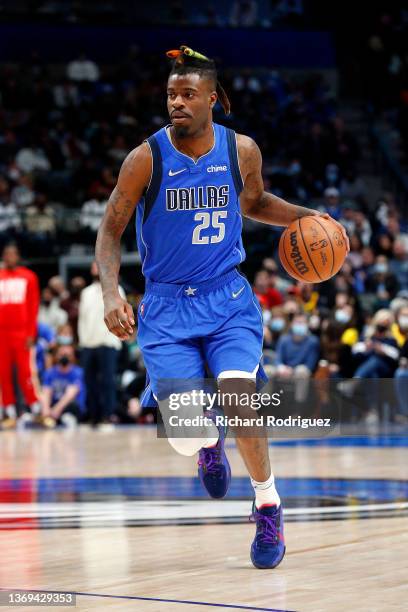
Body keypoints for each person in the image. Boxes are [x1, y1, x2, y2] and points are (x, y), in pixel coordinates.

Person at [95, 45, 349, 569]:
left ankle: (268, 505)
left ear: (214, 98)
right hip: (165, 308)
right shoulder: (146, 158)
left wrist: (311, 216)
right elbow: (110, 228)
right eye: (171, 94)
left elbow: (255, 203)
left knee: (240, 395)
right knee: (187, 437)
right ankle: (207, 442)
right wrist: (110, 292)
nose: (177, 103)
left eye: (189, 94)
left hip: (227, 297)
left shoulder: (241, 151)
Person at [78, 262, 123, 425]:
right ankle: (94, 415)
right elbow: (82, 320)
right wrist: (83, 341)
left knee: (108, 381)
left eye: (99, 265)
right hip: (89, 343)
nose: (96, 268)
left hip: (108, 342)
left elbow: (121, 316)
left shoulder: (117, 291)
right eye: (94, 266)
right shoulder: (86, 293)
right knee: (90, 381)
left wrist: (117, 339)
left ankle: (108, 414)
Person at [0, 243, 41, 426]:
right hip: (2, 333)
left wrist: (31, 333)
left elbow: (33, 307)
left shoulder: (29, 277)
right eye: (6, 254)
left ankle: (36, 409)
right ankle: (9, 412)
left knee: (26, 372)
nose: (10, 257)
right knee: (3, 373)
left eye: (13, 254)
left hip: (21, 333)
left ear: (18, 256)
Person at [40, 344, 85, 428]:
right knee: (40, 403)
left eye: (68, 355)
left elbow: (71, 393)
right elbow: (46, 391)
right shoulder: (50, 372)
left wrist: (56, 410)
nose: (64, 357)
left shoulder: (77, 372)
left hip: (68, 406)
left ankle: (66, 419)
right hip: (53, 406)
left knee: (73, 405)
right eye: (62, 355)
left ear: (73, 357)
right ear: (56, 356)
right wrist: (45, 409)